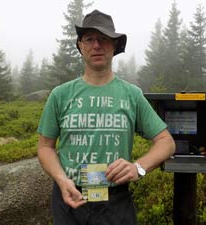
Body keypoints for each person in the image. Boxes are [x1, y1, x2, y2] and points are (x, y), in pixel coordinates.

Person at [37, 9, 175, 225]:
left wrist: (138, 167)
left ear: (114, 46)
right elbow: (45, 147)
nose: (96, 45)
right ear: (80, 46)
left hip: (116, 202)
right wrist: (62, 180)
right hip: (69, 200)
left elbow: (166, 142)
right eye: (89, 39)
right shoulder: (60, 95)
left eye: (103, 39)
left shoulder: (132, 95)